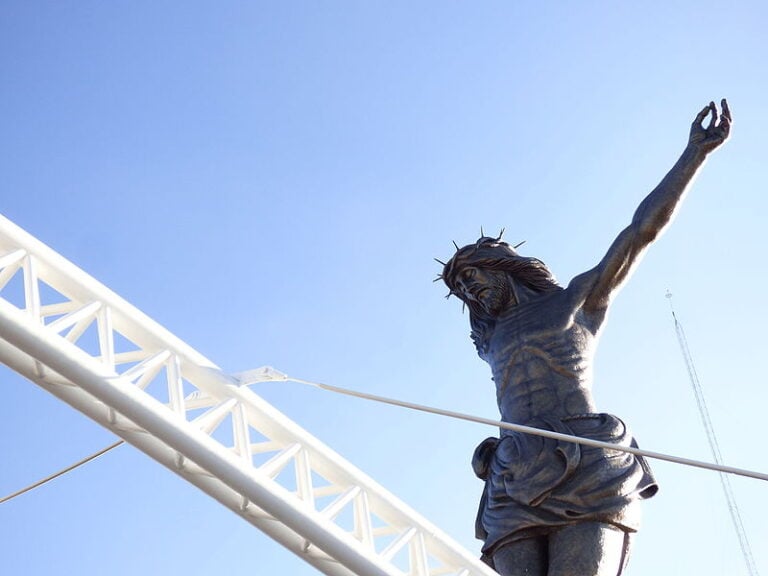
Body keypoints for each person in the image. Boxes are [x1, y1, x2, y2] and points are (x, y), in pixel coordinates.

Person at [440, 100, 731, 576]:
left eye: (474, 277)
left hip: (585, 459)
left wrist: (694, 154)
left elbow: (640, 232)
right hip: (513, 473)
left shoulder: (575, 302)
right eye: (462, 288)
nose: (470, 290)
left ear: (504, 269)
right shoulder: (489, 335)